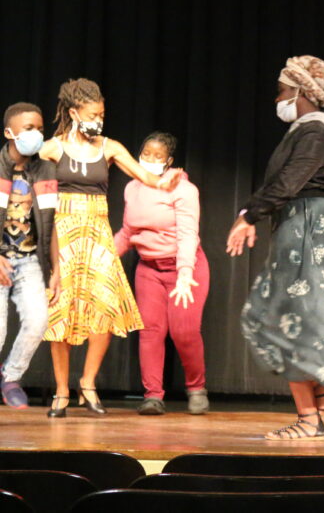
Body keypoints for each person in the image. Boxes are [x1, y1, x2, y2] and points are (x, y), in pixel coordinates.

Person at [227, 55, 324, 441]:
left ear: (301, 91)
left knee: (288, 313)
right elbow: (284, 184)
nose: (277, 98)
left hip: (308, 223)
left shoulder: (315, 130)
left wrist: (249, 216)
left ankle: (319, 400)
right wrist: (250, 213)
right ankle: (318, 398)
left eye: (282, 91)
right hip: (300, 221)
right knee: (285, 313)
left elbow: (291, 180)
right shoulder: (308, 129)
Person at [39, 78, 182, 418]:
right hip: (65, 232)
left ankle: (88, 384)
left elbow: (149, 178)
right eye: (92, 113)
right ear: (74, 113)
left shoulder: (110, 148)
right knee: (61, 310)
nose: (98, 120)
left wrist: (167, 181)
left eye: (102, 113)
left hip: (98, 233)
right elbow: (35, 192)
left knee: (102, 309)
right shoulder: (52, 149)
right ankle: (61, 390)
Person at [114, 132, 210, 415]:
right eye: (146, 154)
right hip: (149, 269)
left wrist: (183, 274)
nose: (151, 161)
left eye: (158, 157)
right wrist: (104, 257)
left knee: (184, 331)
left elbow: (187, 234)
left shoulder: (183, 189)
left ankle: (197, 388)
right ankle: (153, 395)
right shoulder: (133, 188)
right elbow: (128, 233)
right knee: (151, 331)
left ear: (168, 161)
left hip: (185, 268)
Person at [0, 103, 56, 409]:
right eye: (28, 129)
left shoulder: (45, 169)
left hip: (30, 259)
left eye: (39, 128)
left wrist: (56, 268)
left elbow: (51, 220)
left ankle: (10, 376)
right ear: (9, 133)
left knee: (38, 322)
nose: (36, 134)